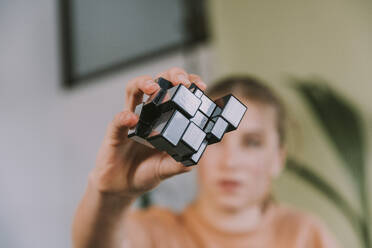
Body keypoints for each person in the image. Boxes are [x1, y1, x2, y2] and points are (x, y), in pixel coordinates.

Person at [72, 67, 338, 248]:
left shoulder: (307, 235)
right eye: (215, 140)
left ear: (278, 159)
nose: (230, 162)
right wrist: (111, 196)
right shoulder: (155, 232)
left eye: (252, 143)